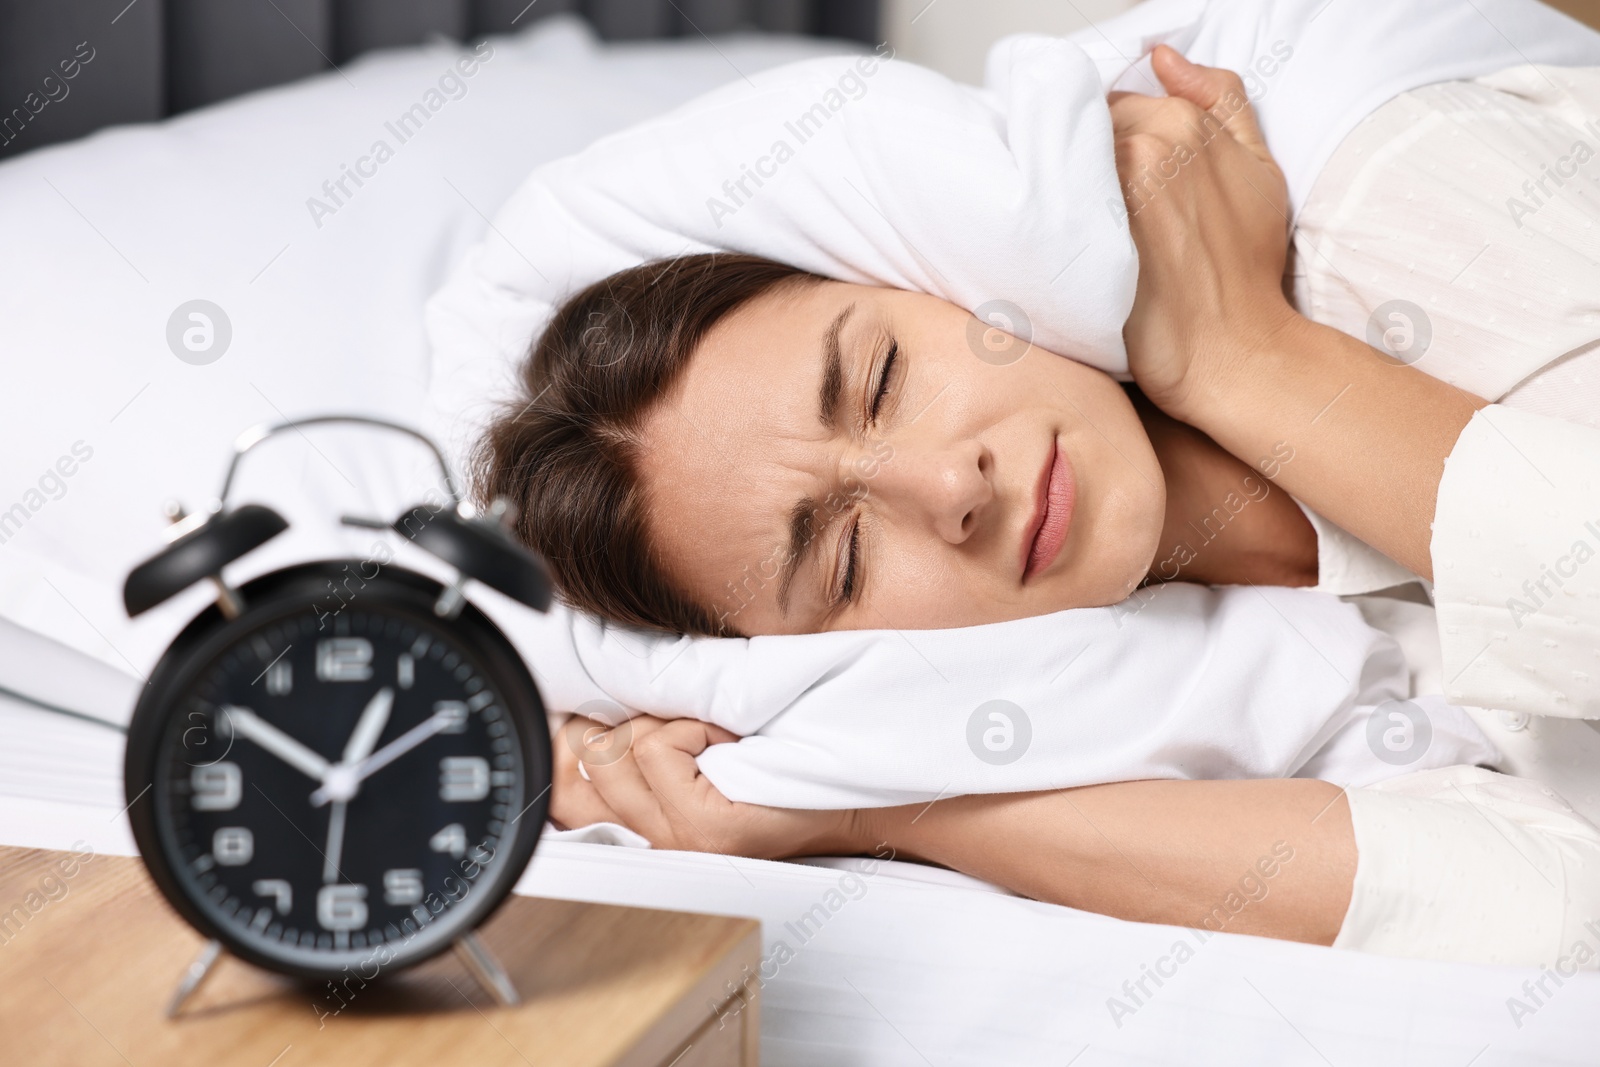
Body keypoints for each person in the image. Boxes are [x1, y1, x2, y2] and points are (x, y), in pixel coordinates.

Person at [478, 48, 1600, 966]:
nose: (947, 488)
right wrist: (885, 812)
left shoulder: (1379, 197)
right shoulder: (1176, 701)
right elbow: (1560, 919)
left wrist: (1245, 356)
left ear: (940, 273)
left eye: (881, 380)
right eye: (845, 558)